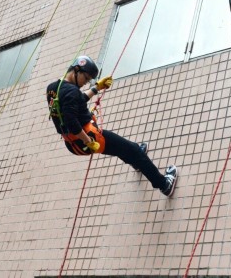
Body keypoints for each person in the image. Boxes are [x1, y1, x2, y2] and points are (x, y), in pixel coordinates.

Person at [47, 56, 178, 197]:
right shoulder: (72, 92)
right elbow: (72, 123)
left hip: (72, 143)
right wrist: (88, 141)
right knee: (134, 151)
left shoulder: (53, 88)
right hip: (88, 138)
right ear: (76, 70)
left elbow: (76, 101)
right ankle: (164, 185)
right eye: (85, 78)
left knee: (121, 149)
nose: (86, 83)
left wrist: (96, 87)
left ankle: (136, 162)